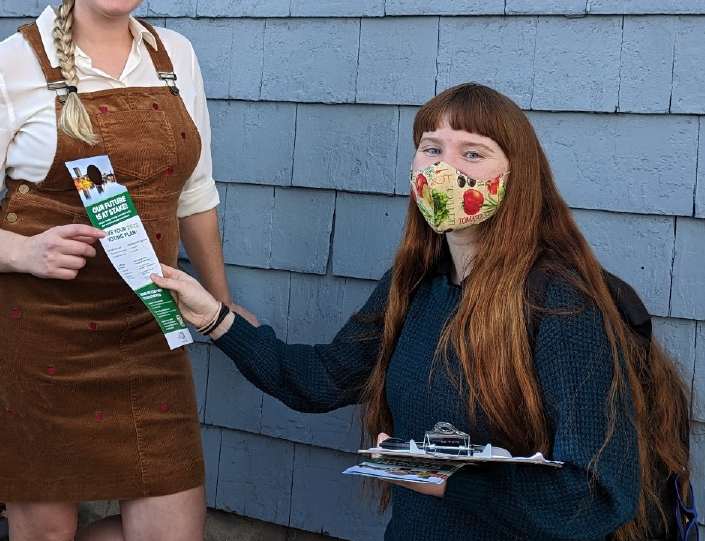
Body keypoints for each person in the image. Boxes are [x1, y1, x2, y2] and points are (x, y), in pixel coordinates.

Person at [152, 83, 693, 541]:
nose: (444, 170)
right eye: (431, 149)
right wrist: (214, 317)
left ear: (517, 177)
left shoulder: (558, 301)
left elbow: (596, 495)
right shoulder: (413, 285)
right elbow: (318, 381)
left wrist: (439, 475)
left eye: (472, 153)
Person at [0, 0, 230, 541]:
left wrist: (221, 308)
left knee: (173, 533)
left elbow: (195, 193)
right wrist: (24, 252)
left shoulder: (173, 55)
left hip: (149, 330)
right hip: (42, 342)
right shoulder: (6, 68)